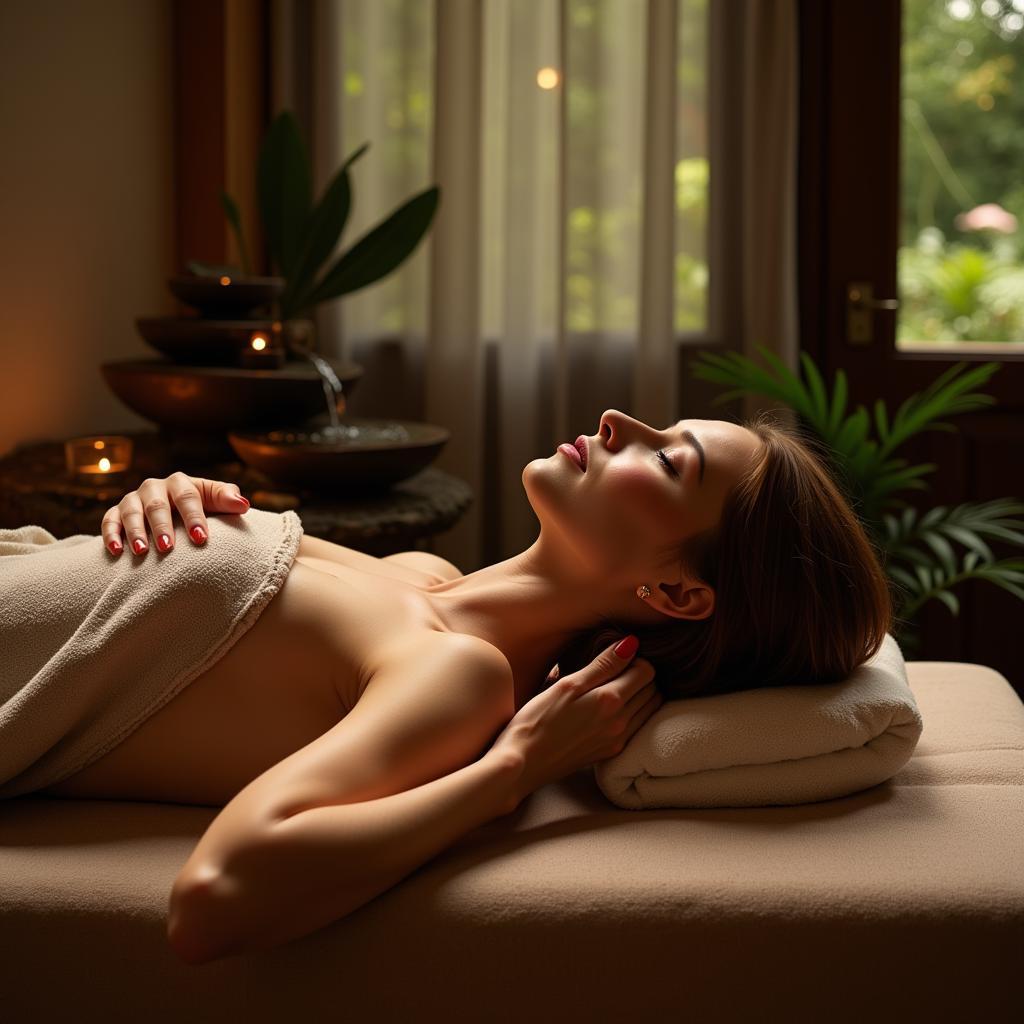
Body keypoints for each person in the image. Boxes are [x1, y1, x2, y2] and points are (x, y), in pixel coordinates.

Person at [53, 408, 894, 962]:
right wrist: (168, 496)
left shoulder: (462, 673)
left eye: (669, 459)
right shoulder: (424, 574)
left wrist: (508, 774)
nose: (617, 420)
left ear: (677, 594)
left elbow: (213, 899)